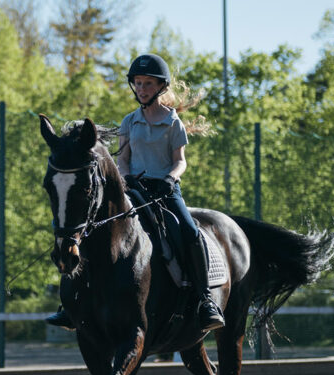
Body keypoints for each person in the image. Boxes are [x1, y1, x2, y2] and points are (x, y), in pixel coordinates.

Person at [46, 53, 225, 333]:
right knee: (90, 230)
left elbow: (181, 160)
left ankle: (205, 301)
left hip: (166, 190)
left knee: (189, 231)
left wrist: (170, 178)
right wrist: (126, 178)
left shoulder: (173, 122)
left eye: (148, 84)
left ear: (161, 87)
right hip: (134, 188)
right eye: (138, 83)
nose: (141, 89)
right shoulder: (129, 121)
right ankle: (72, 303)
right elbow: (124, 159)